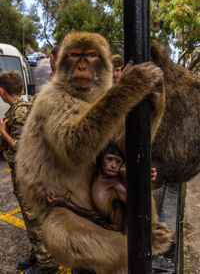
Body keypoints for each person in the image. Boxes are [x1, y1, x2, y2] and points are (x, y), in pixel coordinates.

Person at [0, 70, 58, 274]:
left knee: (35, 217)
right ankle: (38, 251)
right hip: (23, 174)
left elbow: (22, 146)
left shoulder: (19, 112)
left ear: (2, 91)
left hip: (29, 176)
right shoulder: (18, 109)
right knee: (29, 217)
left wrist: (3, 133)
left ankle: (48, 263)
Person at [48, 145, 157, 233]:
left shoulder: (115, 185)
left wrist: (144, 180)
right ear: (96, 160)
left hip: (116, 228)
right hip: (103, 221)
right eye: (110, 159)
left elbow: (138, 203)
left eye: (118, 161)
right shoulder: (97, 174)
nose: (114, 165)